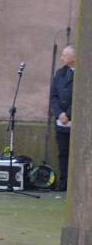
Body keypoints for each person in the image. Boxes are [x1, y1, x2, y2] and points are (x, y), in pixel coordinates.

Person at [49, 44, 75, 191]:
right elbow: (53, 95)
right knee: (63, 152)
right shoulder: (60, 73)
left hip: (75, 120)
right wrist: (60, 113)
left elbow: (80, 95)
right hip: (61, 120)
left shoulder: (83, 72)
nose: (61, 58)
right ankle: (64, 181)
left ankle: (75, 183)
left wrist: (69, 114)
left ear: (74, 57)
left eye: (64, 55)